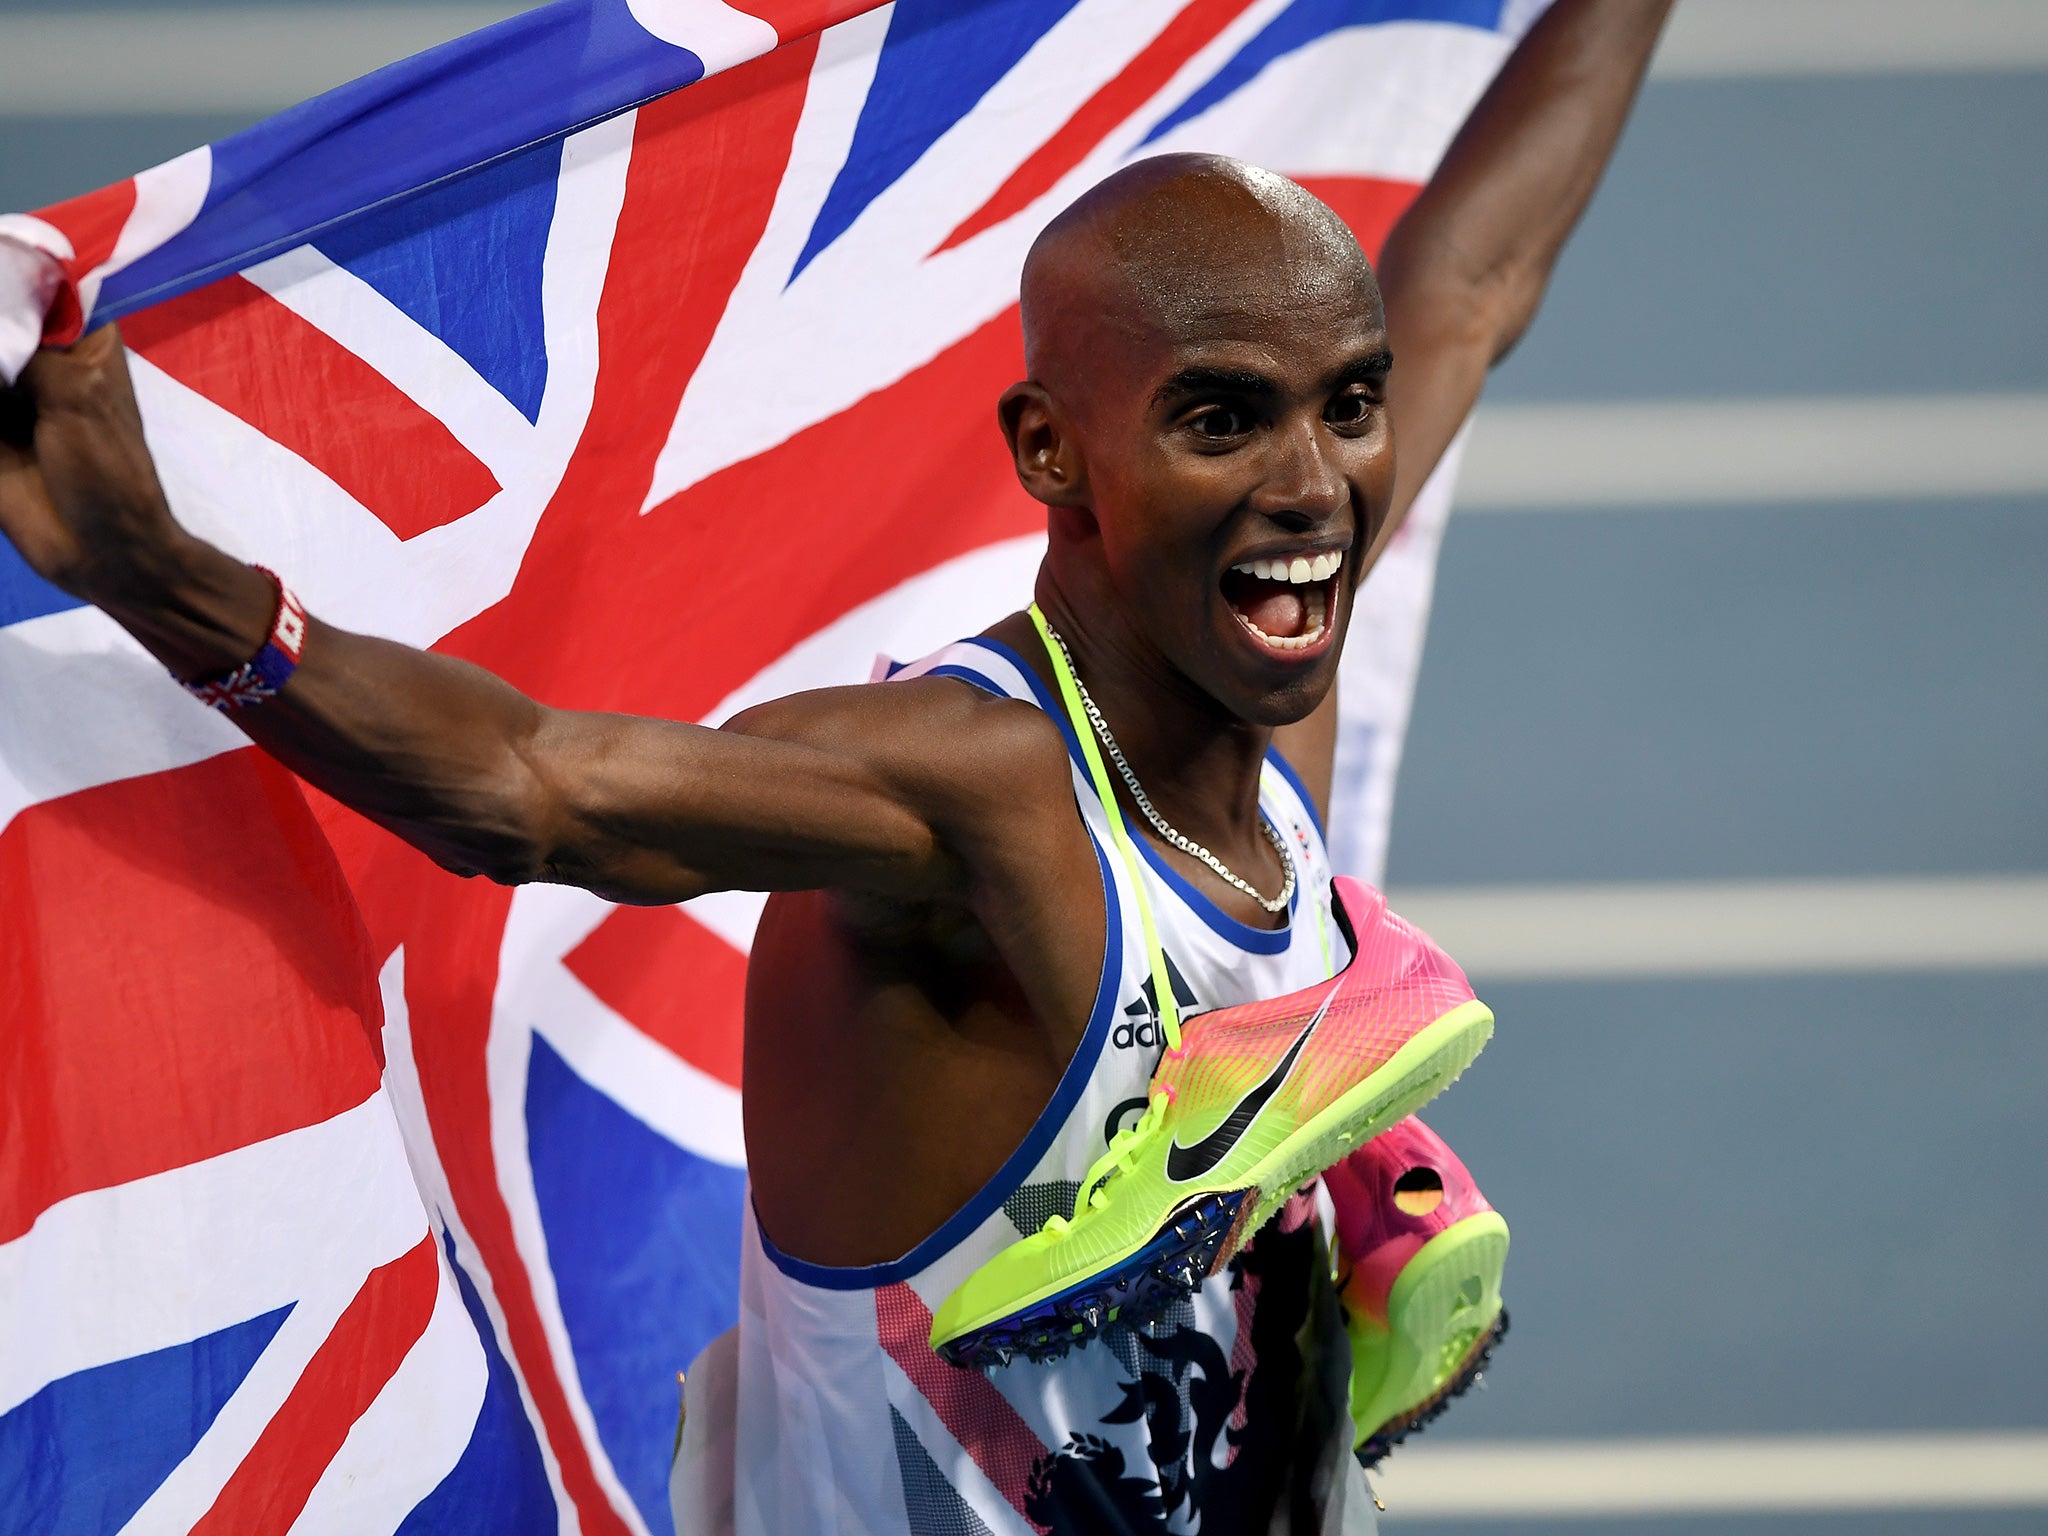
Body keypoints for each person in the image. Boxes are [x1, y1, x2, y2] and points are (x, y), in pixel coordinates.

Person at [0, 2, 1670, 1529]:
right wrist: (158, 573)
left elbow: (1468, 283)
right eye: (1222, 420)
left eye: (1347, 407)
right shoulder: (970, 796)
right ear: (1048, 453)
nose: (1315, 484)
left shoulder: (1257, 715)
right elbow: (537, 787)